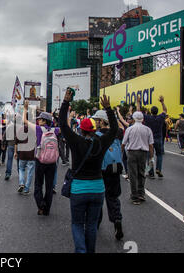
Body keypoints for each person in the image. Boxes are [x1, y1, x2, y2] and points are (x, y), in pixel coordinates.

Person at [59, 90, 118, 253]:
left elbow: (63, 125)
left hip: (78, 189)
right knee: (91, 225)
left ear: (81, 130)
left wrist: (65, 102)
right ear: (94, 129)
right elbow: (114, 130)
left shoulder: (76, 140)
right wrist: (108, 109)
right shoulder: (102, 141)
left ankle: (81, 251)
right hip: (98, 188)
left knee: (77, 224)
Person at [23, 101, 60, 216]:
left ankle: (41, 204)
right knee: (49, 186)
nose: (38, 120)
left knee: (38, 184)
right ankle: (47, 209)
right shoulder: (55, 130)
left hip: (40, 160)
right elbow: (66, 127)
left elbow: (24, 121)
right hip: (52, 162)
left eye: (40, 119)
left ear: (44, 121)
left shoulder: (39, 129)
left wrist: (25, 108)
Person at [92, 110, 124, 240]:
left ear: (101, 121)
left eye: (97, 120)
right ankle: (117, 220)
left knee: (98, 198)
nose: (95, 122)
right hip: (115, 169)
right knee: (113, 198)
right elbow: (121, 126)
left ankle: (96, 222)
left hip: (101, 170)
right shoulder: (116, 133)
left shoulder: (97, 136)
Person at [122, 111, 154, 205]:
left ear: (134, 119)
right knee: (141, 173)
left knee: (133, 175)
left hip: (132, 152)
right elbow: (151, 145)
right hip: (143, 153)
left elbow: (123, 143)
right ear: (142, 119)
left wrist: (120, 154)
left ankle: (134, 196)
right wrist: (151, 158)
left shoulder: (130, 129)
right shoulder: (147, 129)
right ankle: (141, 193)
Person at [137, 94, 167, 178]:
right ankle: (159, 169)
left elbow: (138, 112)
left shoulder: (148, 118)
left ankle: (151, 172)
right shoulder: (161, 117)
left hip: (149, 139)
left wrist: (138, 102)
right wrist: (162, 102)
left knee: (150, 156)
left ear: (151, 111)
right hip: (159, 138)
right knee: (159, 154)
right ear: (157, 112)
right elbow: (165, 110)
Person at [14, 118, 35, 195]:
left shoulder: (20, 130)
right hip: (31, 154)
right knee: (30, 172)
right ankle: (26, 189)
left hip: (22, 154)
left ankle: (21, 183)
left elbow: (16, 143)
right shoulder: (34, 130)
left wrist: (15, 152)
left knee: (21, 169)